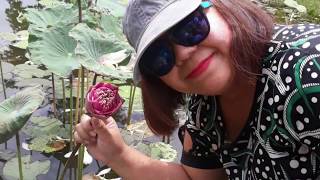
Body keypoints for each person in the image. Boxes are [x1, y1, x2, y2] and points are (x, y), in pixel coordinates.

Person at [74, 0, 320, 179]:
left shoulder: (308, 70)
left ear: (221, 7)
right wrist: (117, 155)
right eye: (159, 57)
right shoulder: (205, 106)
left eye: (189, 27)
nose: (183, 54)